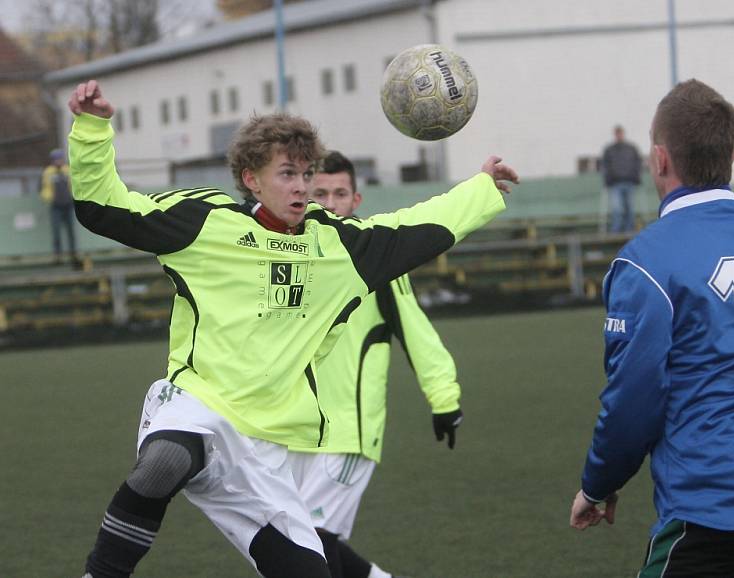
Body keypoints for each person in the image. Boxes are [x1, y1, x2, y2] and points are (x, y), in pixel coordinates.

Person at [66, 80, 518, 578]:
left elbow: (416, 228)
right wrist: (92, 128)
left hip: (264, 450)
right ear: (251, 179)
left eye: (307, 173)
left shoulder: (339, 247)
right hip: (197, 406)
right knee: (165, 460)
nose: (302, 186)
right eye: (287, 174)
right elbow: (101, 206)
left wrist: (480, 189)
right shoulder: (203, 224)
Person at [570, 79, 734, 577]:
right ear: (731, 156)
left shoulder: (647, 263)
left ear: (659, 159)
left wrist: (597, 483)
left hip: (716, 515)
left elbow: (633, 400)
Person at [286, 151, 463, 578]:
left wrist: (445, 399)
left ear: (356, 200)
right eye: (320, 193)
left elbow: (416, 332)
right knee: (292, 540)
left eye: (340, 193)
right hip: (293, 429)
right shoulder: (290, 259)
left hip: (349, 430)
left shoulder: (375, 261)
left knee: (311, 543)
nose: (330, 203)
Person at [40, 147, 80, 266]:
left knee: (71, 231)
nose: (58, 161)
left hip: (68, 205)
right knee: (56, 231)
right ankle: (57, 256)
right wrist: (48, 198)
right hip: (55, 206)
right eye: (56, 159)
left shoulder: (68, 170)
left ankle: (73, 254)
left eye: (60, 159)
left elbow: (74, 185)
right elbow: (43, 188)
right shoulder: (48, 172)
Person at [601, 125, 641, 233]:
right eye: (617, 133)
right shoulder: (609, 150)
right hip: (615, 183)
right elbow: (605, 166)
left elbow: (637, 163)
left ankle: (629, 231)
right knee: (617, 209)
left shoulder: (631, 148)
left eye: (620, 133)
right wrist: (607, 180)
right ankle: (616, 231)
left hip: (629, 182)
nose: (619, 135)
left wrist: (637, 178)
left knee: (630, 208)